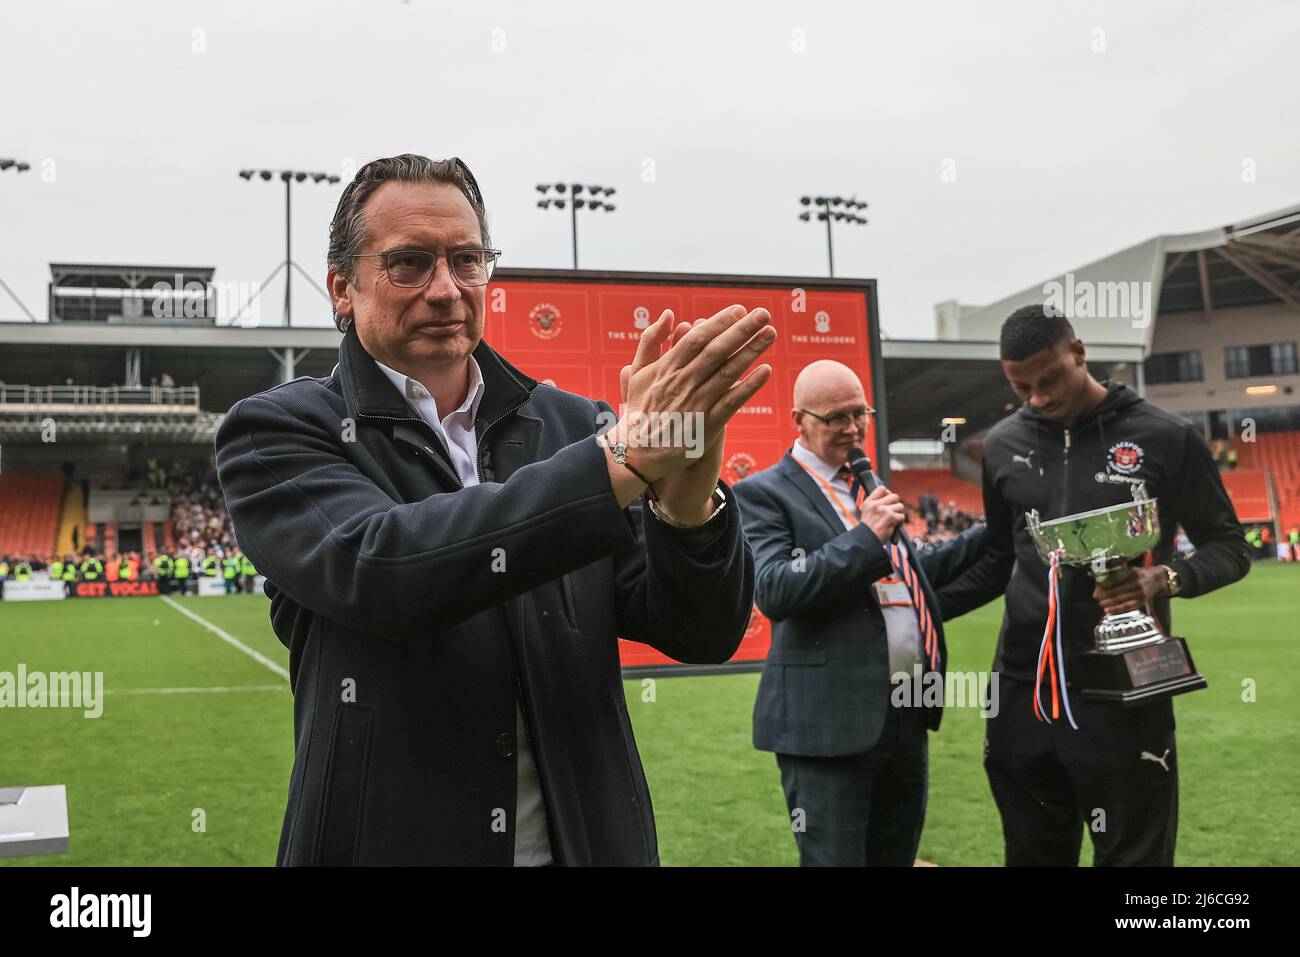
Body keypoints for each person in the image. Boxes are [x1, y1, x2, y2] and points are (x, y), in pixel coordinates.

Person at [214, 153, 774, 866]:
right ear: (342, 289)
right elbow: (383, 567)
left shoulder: (575, 425)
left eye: (467, 260)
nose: (446, 289)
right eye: (409, 263)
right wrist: (624, 460)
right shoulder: (277, 430)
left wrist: (689, 497)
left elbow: (702, 631)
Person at [937, 305, 1250, 866]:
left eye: (1049, 378)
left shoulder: (1167, 436)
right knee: (1032, 856)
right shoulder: (1004, 444)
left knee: (1135, 863)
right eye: (1020, 386)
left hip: (1124, 686)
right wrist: (921, 611)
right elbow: (998, 559)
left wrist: (1163, 578)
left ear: (1078, 353)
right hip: (1023, 688)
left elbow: (1230, 547)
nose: (1036, 396)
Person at [733, 360, 985, 866]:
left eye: (859, 413)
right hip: (827, 726)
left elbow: (914, 573)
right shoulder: (762, 493)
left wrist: (992, 530)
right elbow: (775, 588)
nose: (852, 428)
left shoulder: (867, 483)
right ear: (798, 420)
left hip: (905, 712)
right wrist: (866, 536)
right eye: (836, 418)